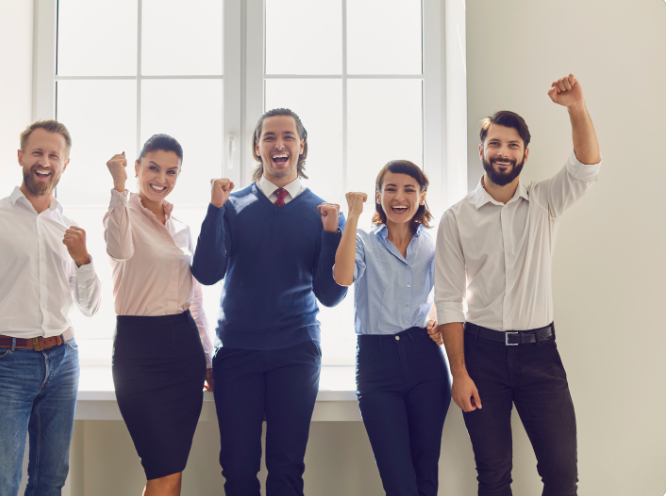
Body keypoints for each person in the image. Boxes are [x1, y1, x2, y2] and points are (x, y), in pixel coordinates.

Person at [434, 74, 601, 495]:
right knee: (493, 476)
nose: (503, 153)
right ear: (482, 150)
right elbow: (449, 300)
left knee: (562, 475)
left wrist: (576, 108)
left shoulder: (546, 201)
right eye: (495, 144)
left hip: (540, 356)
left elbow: (586, 167)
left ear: (526, 153)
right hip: (481, 356)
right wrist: (460, 372)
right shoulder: (457, 218)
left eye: (512, 145)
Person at [191, 108, 347, 496]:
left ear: (302, 146)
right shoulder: (231, 205)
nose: (279, 144)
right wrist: (213, 209)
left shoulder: (324, 213)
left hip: (296, 352)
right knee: (238, 470)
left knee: (286, 469)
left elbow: (330, 296)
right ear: (257, 148)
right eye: (270, 137)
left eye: (288, 137)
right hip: (238, 353)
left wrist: (330, 235)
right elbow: (207, 273)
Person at [0, 120, 102, 496]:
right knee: (0, 482)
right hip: (5, 362)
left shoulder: (70, 225)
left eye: (53, 155)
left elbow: (90, 307)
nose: (44, 161)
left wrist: (83, 260)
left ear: (64, 165)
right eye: (37, 152)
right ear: (20, 157)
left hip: (63, 360)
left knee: (51, 479)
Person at [104, 134, 214, 496]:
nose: (161, 178)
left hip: (184, 352)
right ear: (136, 168)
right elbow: (118, 251)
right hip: (138, 353)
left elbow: (194, 299)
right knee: (160, 465)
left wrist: (207, 357)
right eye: (153, 167)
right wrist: (118, 186)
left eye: (171, 171)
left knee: (172, 468)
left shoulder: (181, 226)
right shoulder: (121, 212)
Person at [333, 161, 450, 496]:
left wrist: (439, 314)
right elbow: (342, 278)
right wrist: (352, 217)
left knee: (426, 472)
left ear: (422, 197)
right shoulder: (364, 241)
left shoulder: (431, 241)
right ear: (378, 195)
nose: (400, 197)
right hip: (377, 362)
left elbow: (450, 287)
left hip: (425, 358)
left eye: (409, 189)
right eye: (391, 189)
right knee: (398, 481)